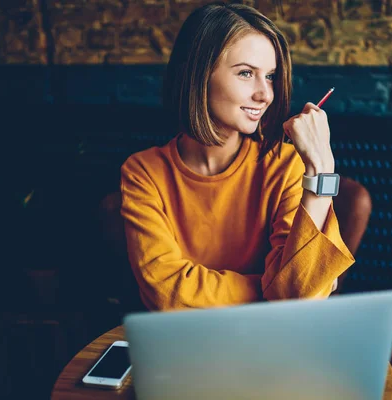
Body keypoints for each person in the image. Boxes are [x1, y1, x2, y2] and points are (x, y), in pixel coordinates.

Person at [119, 2, 354, 311]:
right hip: (186, 345)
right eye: (246, 73)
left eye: (270, 76)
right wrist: (272, 289)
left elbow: (298, 298)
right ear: (198, 74)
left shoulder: (285, 165)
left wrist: (322, 171)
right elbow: (168, 296)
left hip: (272, 344)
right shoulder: (143, 172)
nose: (266, 94)